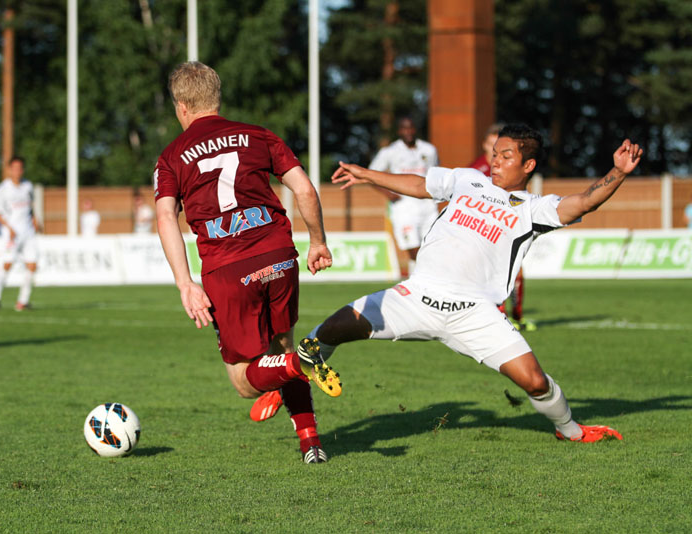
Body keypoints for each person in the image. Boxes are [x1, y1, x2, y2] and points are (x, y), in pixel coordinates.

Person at [297, 124, 642, 443]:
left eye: (506, 157)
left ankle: (570, 431)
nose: (496, 162)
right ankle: (290, 377)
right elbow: (419, 186)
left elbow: (584, 202)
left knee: (535, 382)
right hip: (417, 296)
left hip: (474, 313)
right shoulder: (466, 180)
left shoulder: (534, 209)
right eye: (495, 154)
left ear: (528, 165)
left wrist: (618, 173)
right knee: (329, 330)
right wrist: (366, 173)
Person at [153, 61, 339, 463]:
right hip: (278, 256)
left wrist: (185, 283)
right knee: (282, 345)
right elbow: (304, 188)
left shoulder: (171, 156)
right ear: (216, 98)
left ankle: (296, 364)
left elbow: (166, 216)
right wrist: (318, 241)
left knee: (244, 381)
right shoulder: (259, 135)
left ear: (181, 106)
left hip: (228, 268)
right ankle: (310, 443)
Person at [470, 124, 534, 332]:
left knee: (517, 272)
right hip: (485, 230)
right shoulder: (475, 169)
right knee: (494, 273)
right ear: (484, 145)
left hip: (508, 226)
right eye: (491, 145)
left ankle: (517, 315)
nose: (494, 151)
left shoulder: (511, 167)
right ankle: (500, 316)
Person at [368, 117, 440, 276]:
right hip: (404, 206)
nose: (408, 132)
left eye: (411, 128)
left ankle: (423, 283)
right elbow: (371, 175)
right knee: (413, 247)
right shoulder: (390, 152)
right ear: (399, 131)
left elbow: (436, 174)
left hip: (427, 205)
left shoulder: (429, 150)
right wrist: (388, 193)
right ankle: (422, 281)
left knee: (432, 246)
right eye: (404, 128)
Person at [0, 156, 40, 311]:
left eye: (20, 168)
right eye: (15, 168)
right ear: (10, 169)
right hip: (12, 233)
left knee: (32, 265)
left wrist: (35, 220)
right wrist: (9, 228)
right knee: (8, 264)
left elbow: (30, 207)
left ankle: (23, 301)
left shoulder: (28, 186)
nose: (18, 171)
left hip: (28, 232)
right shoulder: (2, 189)